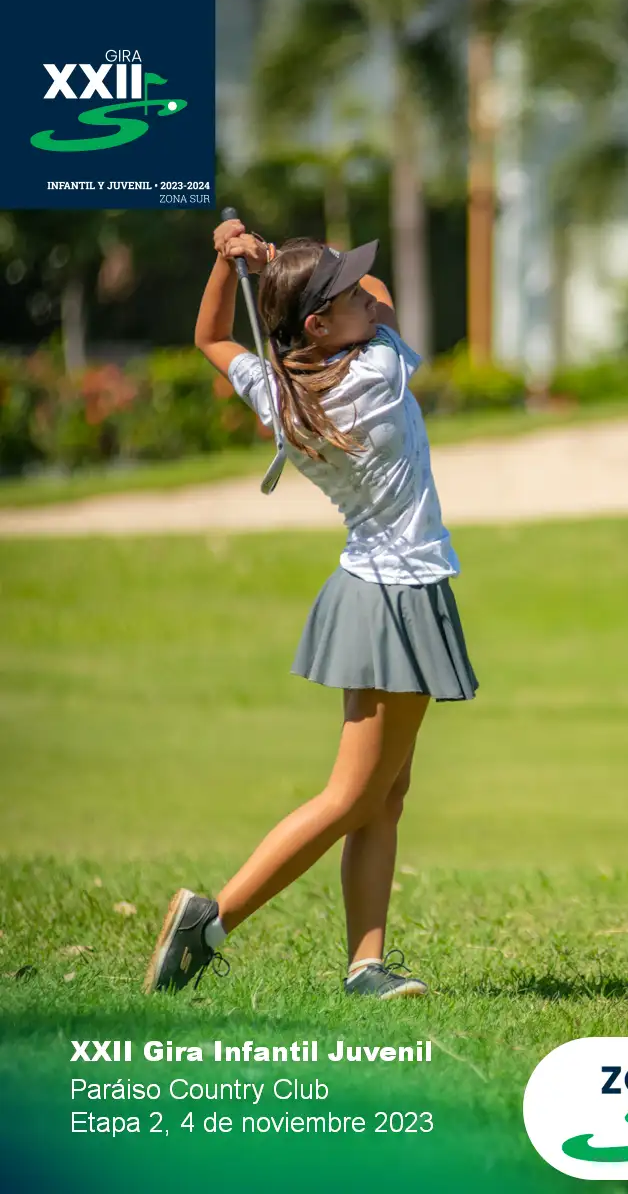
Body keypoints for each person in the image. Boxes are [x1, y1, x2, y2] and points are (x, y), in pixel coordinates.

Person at [143, 216, 478, 1001]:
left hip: (368, 587)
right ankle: (210, 921)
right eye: (343, 293)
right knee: (354, 795)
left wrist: (233, 266)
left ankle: (366, 965)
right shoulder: (377, 371)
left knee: (385, 793)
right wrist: (269, 261)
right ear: (320, 325)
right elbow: (385, 299)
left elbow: (210, 338)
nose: (363, 294)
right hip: (402, 593)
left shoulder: (279, 391)